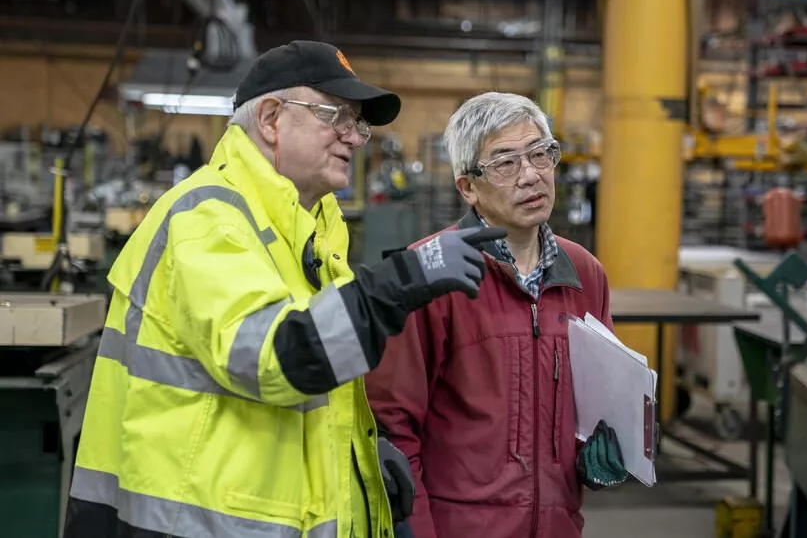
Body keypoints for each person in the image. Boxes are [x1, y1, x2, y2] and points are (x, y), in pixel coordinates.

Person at [63, 41, 505, 538]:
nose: (356, 138)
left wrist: (358, 469)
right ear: (272, 118)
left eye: (357, 123)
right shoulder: (207, 218)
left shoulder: (311, 227)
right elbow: (277, 357)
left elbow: (320, 382)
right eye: (335, 115)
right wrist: (402, 279)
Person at [365, 92, 629, 538]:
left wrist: (599, 450)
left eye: (541, 154)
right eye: (506, 163)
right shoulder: (428, 276)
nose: (531, 176)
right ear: (468, 187)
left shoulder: (585, 273)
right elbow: (392, 427)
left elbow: (599, 402)